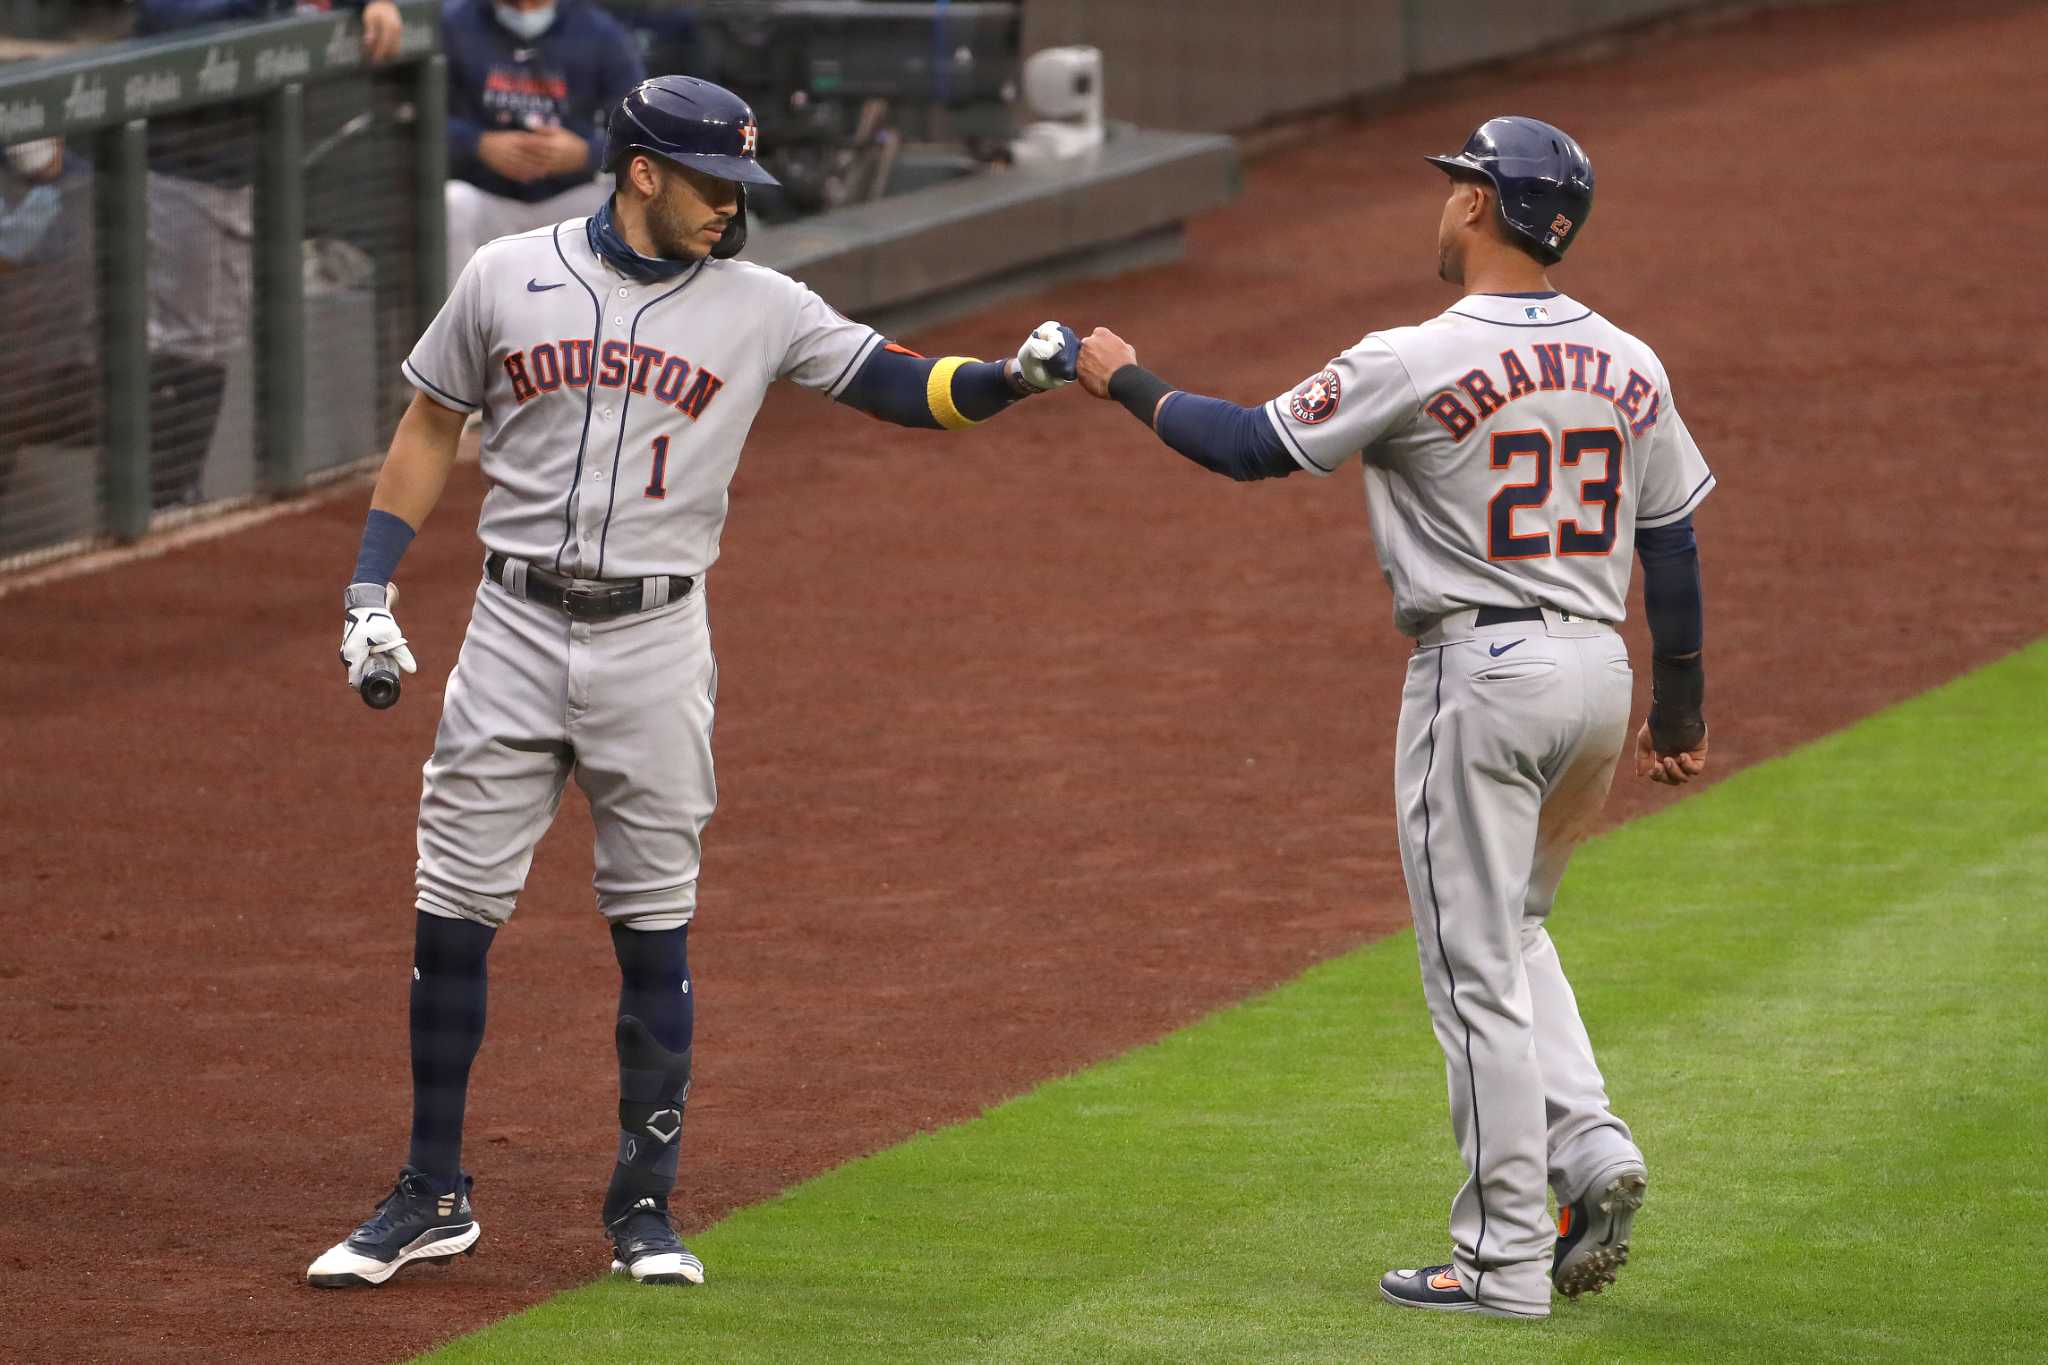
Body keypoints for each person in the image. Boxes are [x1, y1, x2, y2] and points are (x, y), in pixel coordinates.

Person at [305, 75, 1079, 1290]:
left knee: (651, 922)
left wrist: (1012, 379)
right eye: (715, 185)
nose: (733, 208)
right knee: (450, 915)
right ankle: (431, 1191)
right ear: (642, 172)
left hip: (657, 646)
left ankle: (643, 1206)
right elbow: (430, 422)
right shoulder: (505, 276)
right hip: (508, 627)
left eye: (743, 187)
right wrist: (369, 586)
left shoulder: (763, 306)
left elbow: (904, 387)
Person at [1073, 116, 1712, 1319]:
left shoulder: (1419, 353)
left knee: (1468, 967)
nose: (1443, 203)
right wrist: (1677, 706)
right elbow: (1669, 537)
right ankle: (1589, 1146)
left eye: (1455, 185)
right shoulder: (1632, 362)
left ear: (1477, 206)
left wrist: (1123, 379)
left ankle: (1501, 1260)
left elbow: (1249, 446)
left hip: (1479, 676)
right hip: (1597, 672)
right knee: (1516, 929)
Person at [132, 0, 403, 508]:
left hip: (227, 167)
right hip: (173, 166)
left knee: (206, 336)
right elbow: (168, 20)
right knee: (180, 338)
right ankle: (160, 496)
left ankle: (173, 491)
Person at [440, 0, 645, 286]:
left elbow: (640, 129)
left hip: (570, 197)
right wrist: (479, 143)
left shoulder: (600, 32)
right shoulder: (454, 23)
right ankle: (458, 327)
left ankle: (611, 324)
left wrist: (586, 153)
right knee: (452, 202)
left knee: (630, 203)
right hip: (488, 194)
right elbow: (422, 117)